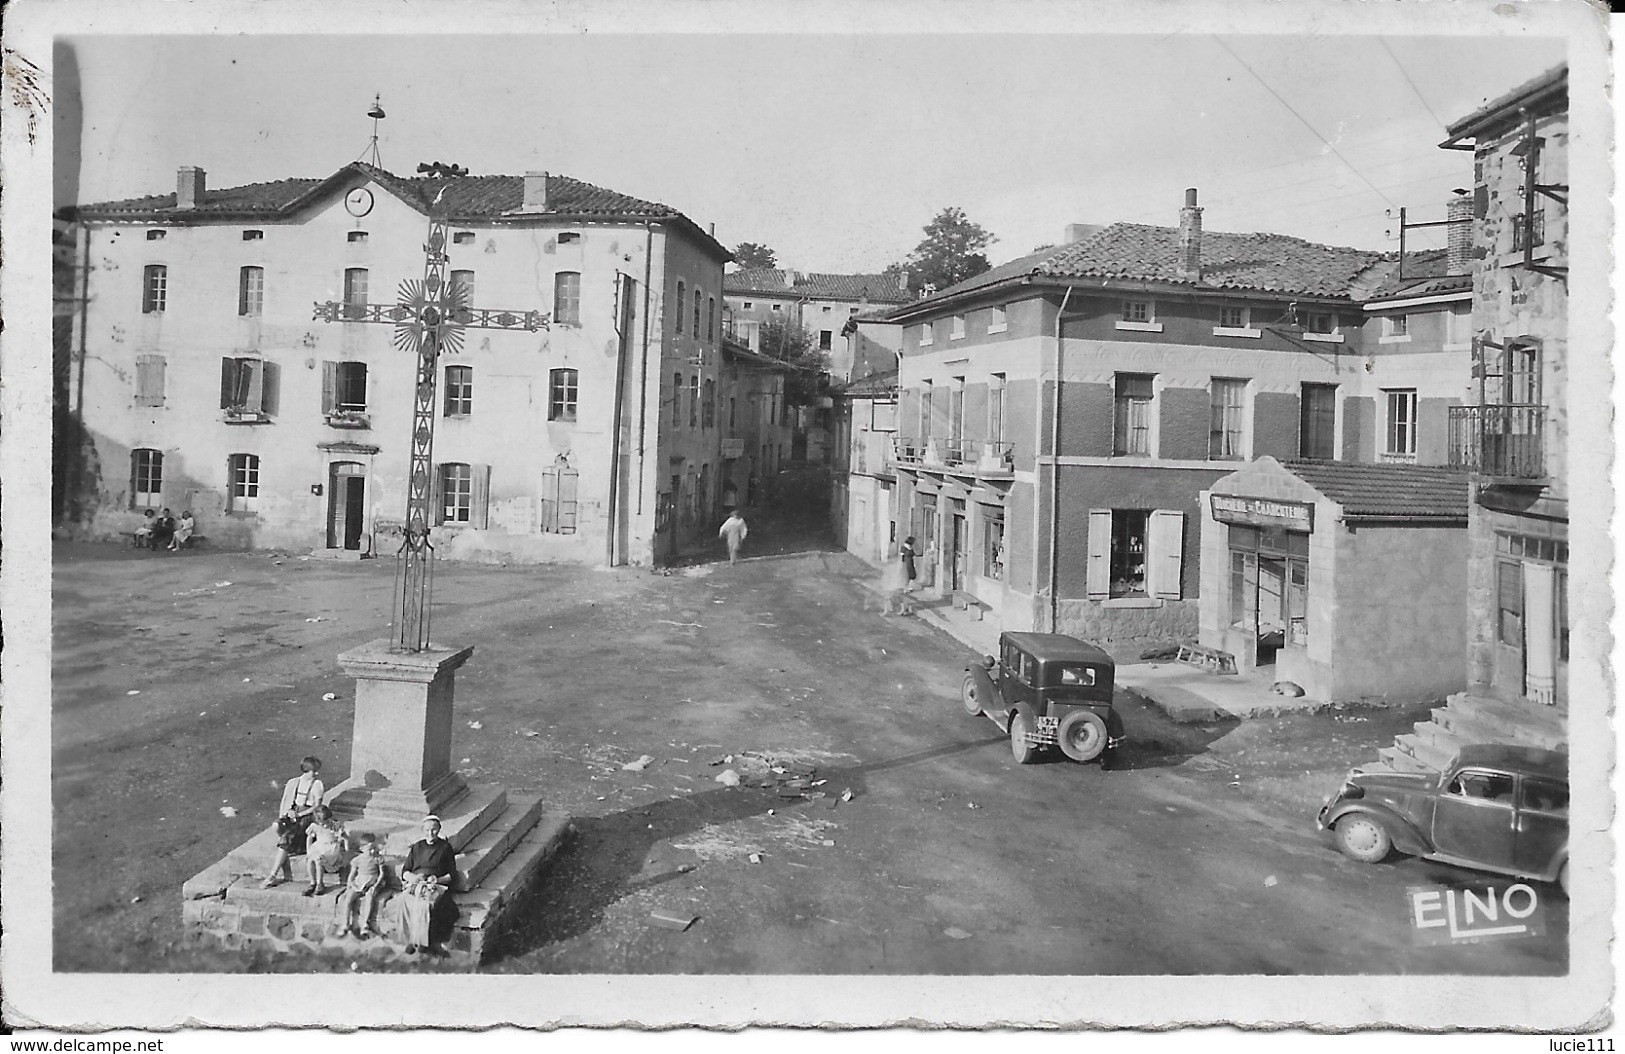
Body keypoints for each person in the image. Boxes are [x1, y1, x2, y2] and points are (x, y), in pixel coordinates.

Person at [392, 815, 457, 955]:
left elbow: (452, 874)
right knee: (404, 900)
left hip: (434, 884)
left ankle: (421, 942)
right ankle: (411, 938)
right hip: (417, 882)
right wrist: (414, 877)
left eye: (434, 830)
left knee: (424, 905)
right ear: (423, 830)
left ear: (439, 829)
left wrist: (437, 879)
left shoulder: (445, 847)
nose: (430, 833)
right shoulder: (417, 847)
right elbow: (405, 870)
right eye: (427, 830)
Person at [263, 756, 324, 888]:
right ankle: (292, 845)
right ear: (305, 770)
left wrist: (300, 814)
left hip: (308, 815)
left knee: (286, 838)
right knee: (276, 825)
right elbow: (286, 800)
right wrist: (288, 812)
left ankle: (272, 875)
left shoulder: (317, 784)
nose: (316, 774)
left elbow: (317, 807)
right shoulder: (294, 782)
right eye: (314, 771)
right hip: (294, 812)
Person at [339, 833, 386, 938]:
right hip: (360, 881)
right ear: (362, 848)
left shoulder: (378, 858)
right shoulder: (357, 860)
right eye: (370, 849)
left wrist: (375, 885)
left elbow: (381, 874)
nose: (373, 851)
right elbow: (352, 875)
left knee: (370, 897)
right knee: (348, 899)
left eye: (374, 848)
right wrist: (349, 886)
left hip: (372, 881)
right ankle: (345, 924)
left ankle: (365, 924)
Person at [302, 805, 348, 896]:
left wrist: (346, 850)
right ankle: (312, 882)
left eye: (325, 822)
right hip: (319, 845)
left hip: (331, 847)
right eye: (321, 823)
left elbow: (345, 838)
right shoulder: (314, 826)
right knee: (311, 859)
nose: (324, 825)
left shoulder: (335, 825)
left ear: (329, 818)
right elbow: (309, 838)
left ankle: (320, 883)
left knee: (319, 859)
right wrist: (308, 850)